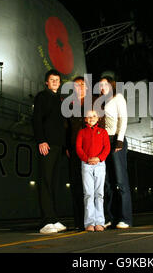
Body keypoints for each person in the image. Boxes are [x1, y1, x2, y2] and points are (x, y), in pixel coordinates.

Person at [33, 69, 68, 234]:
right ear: (46, 82)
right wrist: (41, 140)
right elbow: (37, 119)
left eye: (57, 79)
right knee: (45, 181)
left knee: (55, 183)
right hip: (47, 144)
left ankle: (54, 218)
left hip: (58, 146)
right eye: (52, 79)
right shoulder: (42, 96)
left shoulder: (60, 100)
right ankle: (46, 221)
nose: (55, 81)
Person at [99, 76, 133, 229]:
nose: (102, 86)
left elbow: (123, 119)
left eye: (105, 84)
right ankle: (111, 218)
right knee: (108, 183)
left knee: (121, 182)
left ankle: (125, 219)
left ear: (112, 85)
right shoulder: (101, 101)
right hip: (104, 142)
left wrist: (119, 140)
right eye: (100, 85)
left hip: (116, 141)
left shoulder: (118, 97)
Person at [75, 109, 111, 232]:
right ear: (85, 119)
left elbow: (107, 148)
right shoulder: (82, 132)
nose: (91, 118)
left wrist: (99, 158)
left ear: (98, 118)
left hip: (100, 165)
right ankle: (89, 223)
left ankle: (100, 222)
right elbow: (78, 148)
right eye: (89, 116)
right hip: (86, 165)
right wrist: (87, 159)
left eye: (94, 116)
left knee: (99, 194)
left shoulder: (103, 132)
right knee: (88, 194)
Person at [66, 76, 88, 230]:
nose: (79, 87)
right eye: (76, 85)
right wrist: (67, 146)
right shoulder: (69, 105)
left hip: (90, 148)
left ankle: (95, 219)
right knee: (76, 185)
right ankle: (79, 221)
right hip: (74, 148)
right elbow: (66, 127)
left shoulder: (93, 103)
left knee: (92, 185)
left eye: (82, 84)